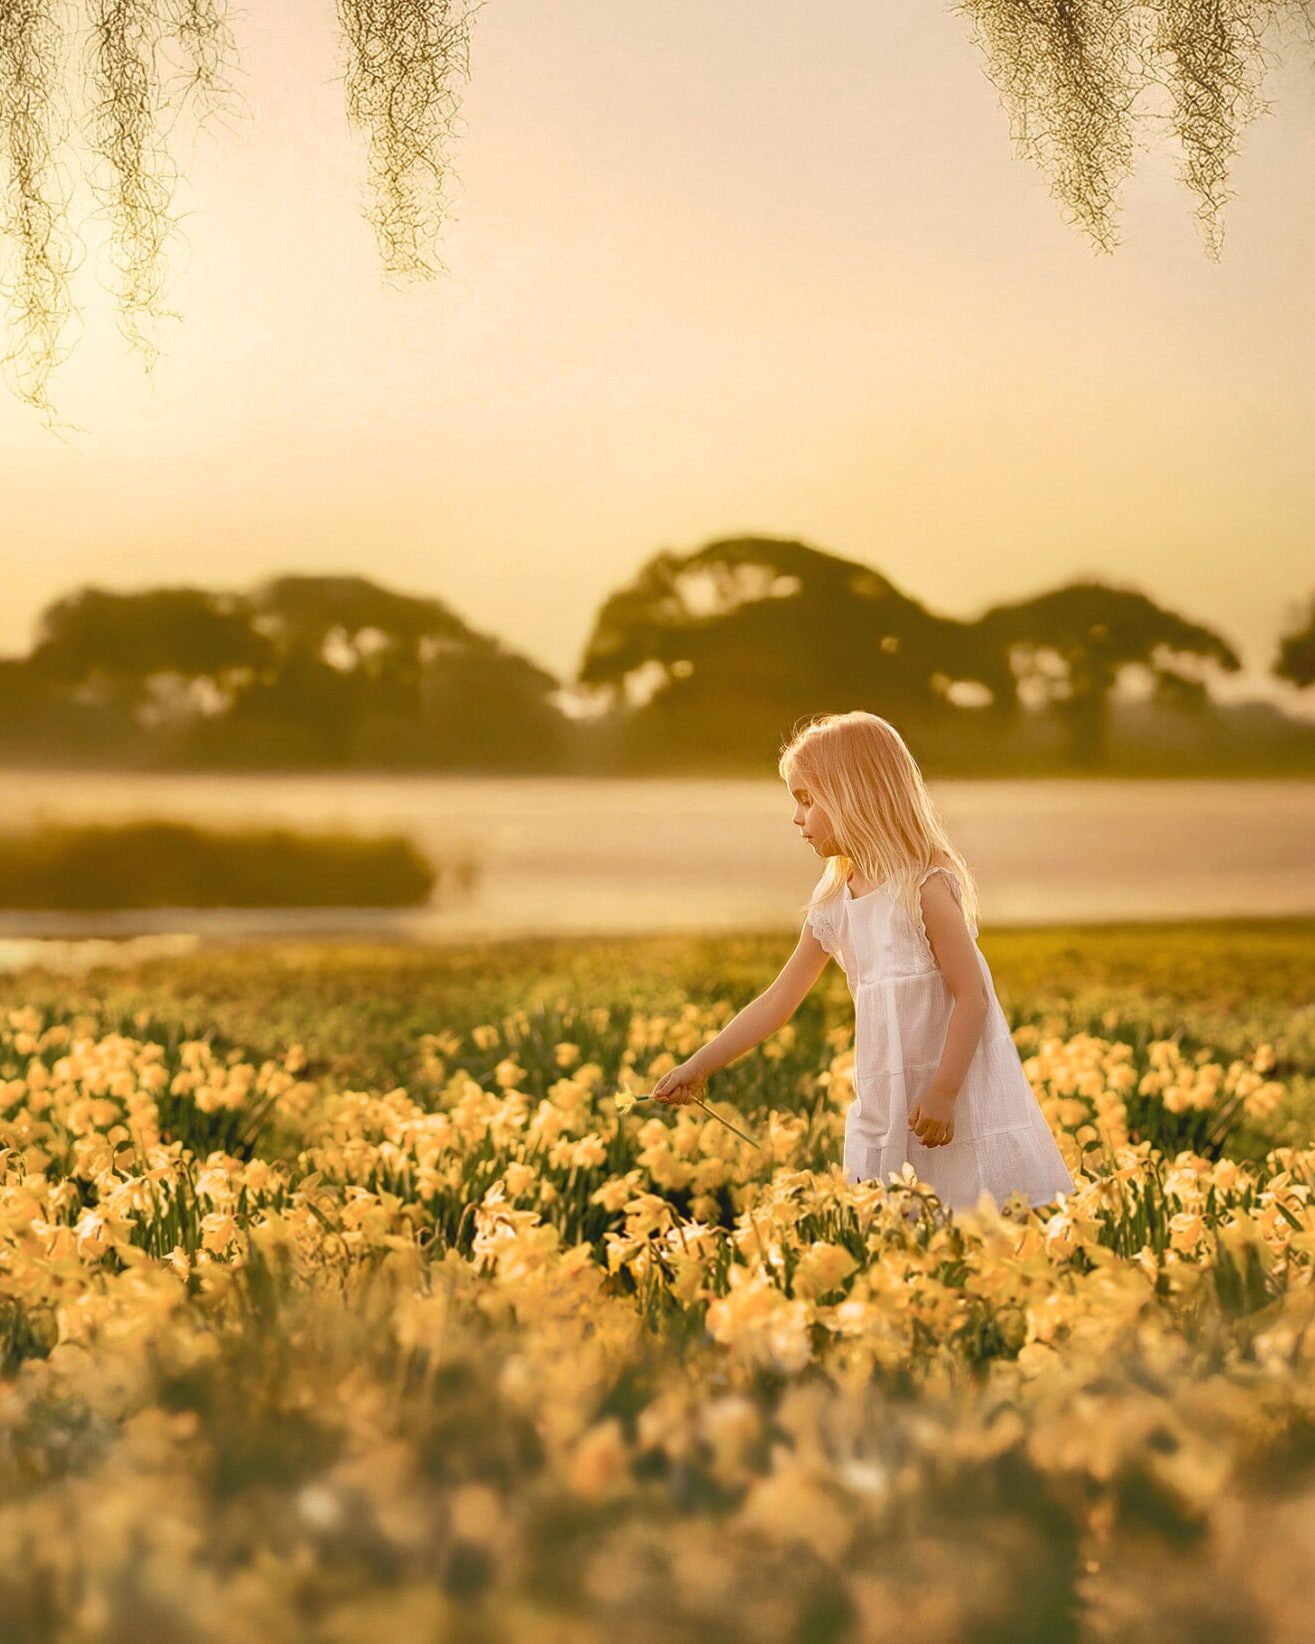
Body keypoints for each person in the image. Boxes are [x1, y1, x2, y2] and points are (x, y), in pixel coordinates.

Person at [651, 710, 1075, 1215]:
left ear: (854, 796)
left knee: (974, 1215)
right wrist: (699, 1067)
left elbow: (972, 996)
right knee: (895, 1220)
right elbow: (779, 1000)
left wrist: (944, 1092)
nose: (796, 817)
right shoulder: (834, 903)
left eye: (807, 800)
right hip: (888, 1099)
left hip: (952, 1095)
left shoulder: (924, 887)